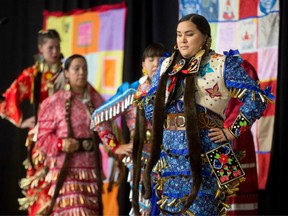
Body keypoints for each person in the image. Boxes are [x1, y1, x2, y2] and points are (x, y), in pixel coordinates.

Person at [142, 14, 274, 215]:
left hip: (209, 150)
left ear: (205, 37)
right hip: (171, 152)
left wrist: (232, 131)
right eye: (179, 35)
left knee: (205, 208)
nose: (183, 40)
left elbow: (257, 98)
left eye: (189, 34)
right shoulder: (166, 65)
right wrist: (166, 130)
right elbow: (149, 103)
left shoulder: (223, 63)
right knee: (170, 208)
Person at [33, 54, 132, 215]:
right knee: (75, 210)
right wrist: (60, 143)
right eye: (76, 68)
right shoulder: (54, 102)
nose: (81, 72)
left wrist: (114, 146)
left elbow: (107, 129)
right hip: (65, 170)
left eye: (84, 68)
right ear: (66, 73)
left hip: (91, 170)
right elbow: (42, 138)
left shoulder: (97, 101)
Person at [90, 43, 168, 215]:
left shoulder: (175, 89)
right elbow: (99, 117)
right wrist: (116, 146)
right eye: (151, 59)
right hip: (142, 158)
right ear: (143, 65)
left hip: (171, 157)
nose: (156, 63)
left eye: (161, 59)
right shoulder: (132, 91)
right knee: (144, 206)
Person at [0, 29, 64, 214]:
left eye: (57, 47)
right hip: (43, 139)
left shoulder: (69, 70)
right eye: (50, 47)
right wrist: (20, 121)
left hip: (68, 137)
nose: (55, 52)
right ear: (40, 48)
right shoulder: (32, 74)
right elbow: (9, 98)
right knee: (43, 187)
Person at [225, 60, 260, 215]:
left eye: (190, 34)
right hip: (208, 140)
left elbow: (253, 100)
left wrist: (229, 129)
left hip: (231, 139)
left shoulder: (236, 66)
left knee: (233, 195)